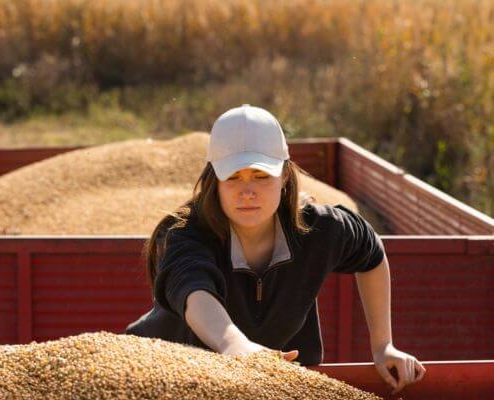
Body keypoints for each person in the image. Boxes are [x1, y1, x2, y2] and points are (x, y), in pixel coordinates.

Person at [126, 104, 426, 394]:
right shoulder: (185, 234)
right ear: (214, 180)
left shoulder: (319, 229)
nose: (247, 191)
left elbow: (370, 252)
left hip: (268, 385)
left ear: (284, 175)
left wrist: (383, 345)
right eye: (233, 177)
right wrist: (234, 345)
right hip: (163, 378)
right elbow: (195, 292)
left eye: (261, 176)